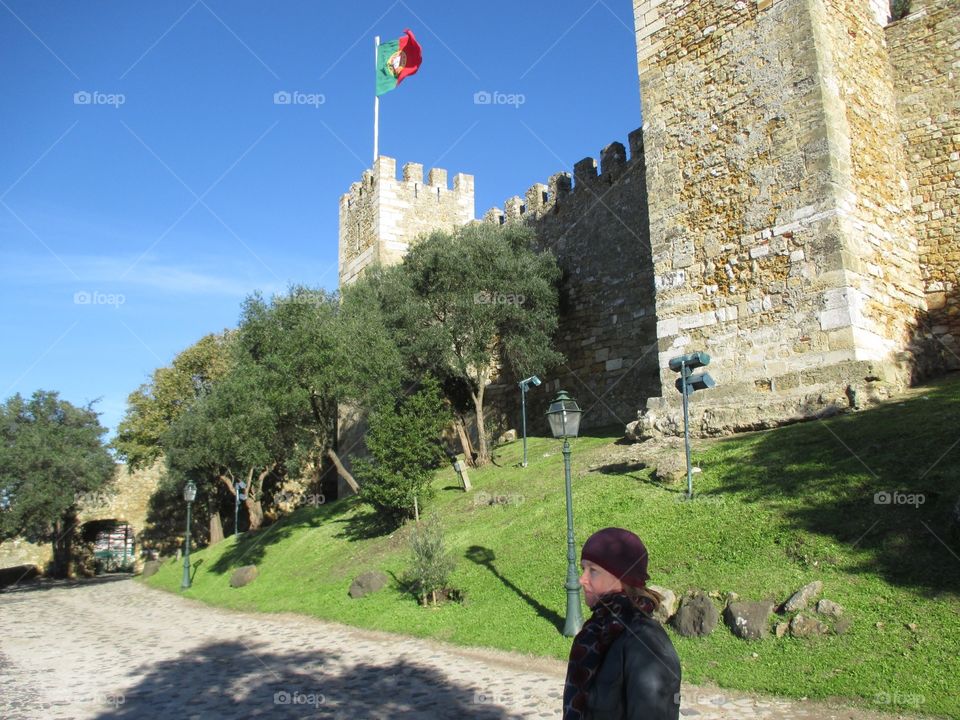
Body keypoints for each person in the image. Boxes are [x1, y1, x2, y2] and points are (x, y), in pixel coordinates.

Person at [563, 527, 681, 720]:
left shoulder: (645, 641)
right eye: (582, 569)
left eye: (593, 570)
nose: (582, 579)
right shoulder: (599, 631)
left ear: (623, 578)